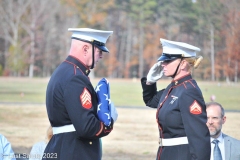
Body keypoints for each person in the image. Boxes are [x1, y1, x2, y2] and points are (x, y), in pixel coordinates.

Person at [43, 28, 116, 160]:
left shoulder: (64, 71)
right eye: (99, 51)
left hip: (62, 147)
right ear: (85, 49)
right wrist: (108, 121)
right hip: (74, 152)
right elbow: (87, 128)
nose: (101, 56)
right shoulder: (76, 78)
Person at [141, 38, 211, 160]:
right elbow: (151, 101)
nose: (163, 64)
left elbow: (199, 136)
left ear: (183, 63)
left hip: (182, 155)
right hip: (167, 153)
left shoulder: (189, 91)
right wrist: (149, 82)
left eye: (168, 61)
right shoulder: (174, 87)